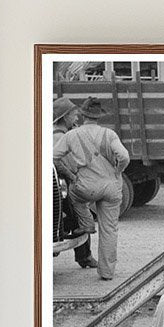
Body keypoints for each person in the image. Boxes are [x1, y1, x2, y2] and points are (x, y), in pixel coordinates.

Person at [55, 97, 130, 280]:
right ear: (99, 117)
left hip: (85, 186)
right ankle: (106, 272)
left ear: (82, 115)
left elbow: (53, 157)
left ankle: (87, 223)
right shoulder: (109, 134)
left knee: (74, 197)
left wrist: (72, 175)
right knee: (109, 229)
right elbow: (124, 156)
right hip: (110, 186)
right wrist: (117, 170)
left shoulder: (71, 135)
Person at [51, 96, 98, 269]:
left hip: (69, 181)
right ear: (64, 117)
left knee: (79, 217)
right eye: (73, 114)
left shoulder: (65, 133)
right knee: (80, 216)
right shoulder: (58, 137)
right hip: (64, 184)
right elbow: (57, 162)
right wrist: (73, 176)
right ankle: (85, 256)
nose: (76, 117)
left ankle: (84, 255)